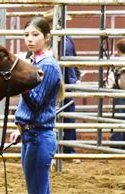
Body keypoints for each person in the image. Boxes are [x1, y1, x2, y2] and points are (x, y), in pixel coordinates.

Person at [10, 17, 62, 194]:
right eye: (26, 35)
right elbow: (31, 106)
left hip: (40, 137)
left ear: (46, 37)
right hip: (32, 134)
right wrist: (20, 127)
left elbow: (37, 100)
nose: (29, 39)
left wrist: (20, 82)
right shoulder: (32, 62)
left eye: (34, 35)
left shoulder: (48, 65)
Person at [44, 10, 81, 158]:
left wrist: (77, 76)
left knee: (69, 116)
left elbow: (74, 59)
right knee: (50, 115)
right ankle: (52, 149)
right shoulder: (44, 40)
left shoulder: (68, 39)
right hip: (50, 83)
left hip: (68, 82)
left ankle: (69, 150)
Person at [105, 38, 125, 148]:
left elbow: (110, 80)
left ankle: (116, 144)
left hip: (120, 93)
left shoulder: (116, 63)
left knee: (120, 118)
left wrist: (108, 87)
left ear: (119, 51)